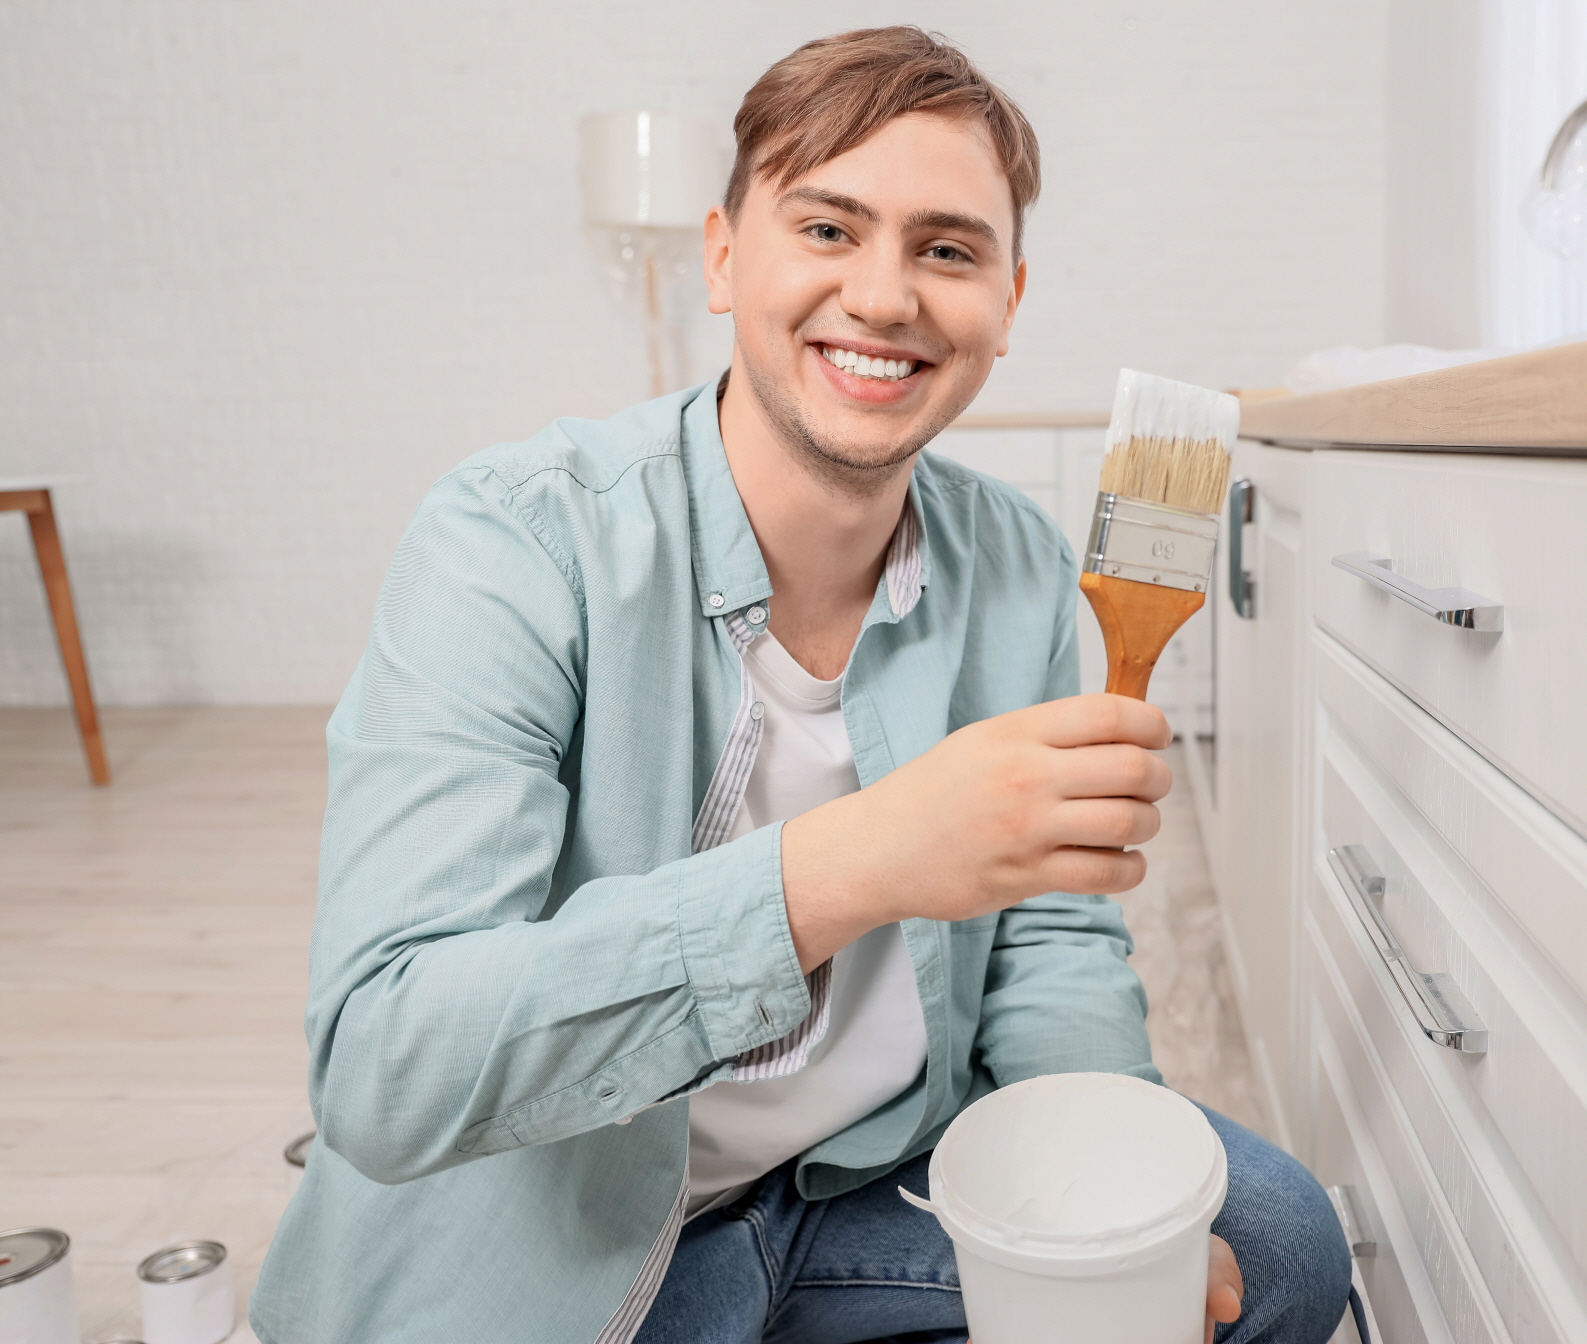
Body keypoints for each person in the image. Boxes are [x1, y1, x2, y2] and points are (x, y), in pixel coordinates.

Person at [250, 26, 1348, 1344]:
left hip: (865, 1180)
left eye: (947, 249)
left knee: (1274, 1244)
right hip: (582, 1223)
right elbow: (388, 1061)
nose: (884, 298)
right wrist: (857, 860)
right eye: (829, 229)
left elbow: (1051, 944)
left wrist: (1103, 1198)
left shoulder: (1022, 568)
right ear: (723, 255)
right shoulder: (514, 542)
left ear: (1008, 299)